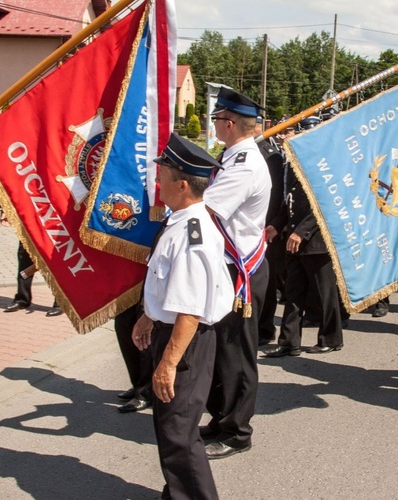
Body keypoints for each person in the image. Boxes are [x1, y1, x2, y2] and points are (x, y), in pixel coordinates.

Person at [132, 133, 233, 500]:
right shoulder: (182, 220)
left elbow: (190, 308)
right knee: (171, 426)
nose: (156, 181)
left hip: (185, 342)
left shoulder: (193, 234)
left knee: (179, 433)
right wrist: (149, 316)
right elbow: (165, 283)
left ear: (183, 185)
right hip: (173, 331)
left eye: (162, 175)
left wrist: (168, 363)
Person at [201, 87, 271, 460]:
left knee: (236, 354)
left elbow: (206, 212)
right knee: (221, 351)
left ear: (228, 123)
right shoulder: (232, 157)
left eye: (215, 120)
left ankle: (237, 432)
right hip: (226, 267)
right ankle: (220, 419)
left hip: (240, 271)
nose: (213, 126)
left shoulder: (244, 165)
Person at [263, 116, 344, 358]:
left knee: (325, 292)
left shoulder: (323, 162)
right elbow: (289, 201)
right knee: (294, 291)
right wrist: (277, 225)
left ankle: (331, 337)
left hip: (316, 240)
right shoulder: (293, 160)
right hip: (293, 236)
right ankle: (289, 342)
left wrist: (301, 231)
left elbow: (321, 204)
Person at [257, 117, 287, 346]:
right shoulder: (233, 153)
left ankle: (265, 328)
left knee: (265, 283)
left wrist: (275, 224)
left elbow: (278, 195)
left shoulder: (270, 155)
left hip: (266, 228)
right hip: (246, 228)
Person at [0, 228, 62, 317]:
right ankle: (22, 299)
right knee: (24, 263)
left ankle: (60, 303)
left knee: (57, 267)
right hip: (31, 225)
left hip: (55, 227)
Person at [114, 303, 153, 412]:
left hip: (150, 289)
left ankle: (146, 392)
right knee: (123, 326)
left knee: (144, 339)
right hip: (131, 288)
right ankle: (138, 385)